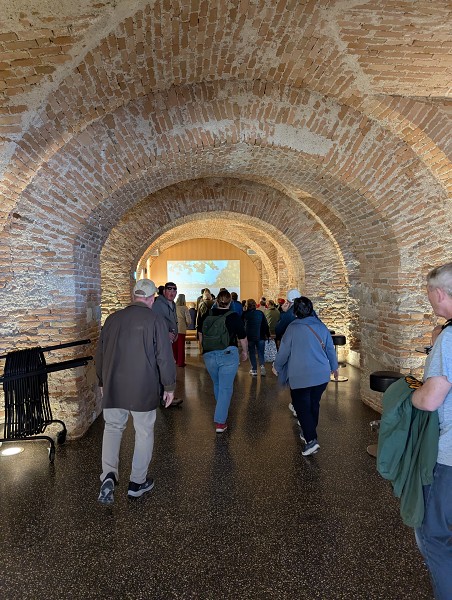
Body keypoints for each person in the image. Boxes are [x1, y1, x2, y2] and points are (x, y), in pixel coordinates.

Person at [95, 279, 176, 505]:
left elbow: (100, 353)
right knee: (144, 432)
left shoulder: (112, 319)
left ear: (134, 296)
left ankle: (108, 475)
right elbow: (164, 356)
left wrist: (102, 380)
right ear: (151, 298)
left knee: (112, 428)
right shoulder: (155, 320)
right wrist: (169, 386)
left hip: (113, 386)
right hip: (143, 386)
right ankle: (137, 483)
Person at [411, 263, 452, 599]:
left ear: (439, 293)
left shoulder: (450, 337)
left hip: (450, 457)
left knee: (433, 535)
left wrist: (410, 393)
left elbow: (430, 399)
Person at [273, 296, 338, 456]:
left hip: (300, 375)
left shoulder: (292, 328)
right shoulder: (321, 326)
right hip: (321, 375)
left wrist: (277, 366)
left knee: (302, 407)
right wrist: (334, 367)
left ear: (295, 312)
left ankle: (311, 441)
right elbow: (330, 349)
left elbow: (284, 352)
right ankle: (307, 432)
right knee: (313, 404)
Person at [197, 289, 248, 433]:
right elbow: (243, 337)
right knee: (225, 388)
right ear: (230, 302)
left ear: (216, 301)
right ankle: (220, 422)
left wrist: (204, 349)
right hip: (228, 354)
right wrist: (245, 352)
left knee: (217, 384)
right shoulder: (233, 316)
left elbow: (200, 333)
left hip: (209, 355)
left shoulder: (207, 314)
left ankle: (222, 410)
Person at [152, 281, 183, 407]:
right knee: (163, 367)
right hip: (161, 340)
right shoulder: (158, 304)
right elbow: (156, 321)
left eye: (174, 290)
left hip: (168, 339)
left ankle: (165, 396)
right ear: (164, 291)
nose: (172, 292)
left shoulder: (172, 304)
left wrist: (176, 332)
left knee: (167, 366)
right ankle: (163, 397)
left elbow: (172, 320)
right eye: (169, 289)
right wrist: (166, 333)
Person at [242, 298, 270, 376]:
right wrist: (268, 335)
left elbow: (242, 325)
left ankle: (254, 370)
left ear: (247, 305)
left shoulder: (245, 314)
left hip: (250, 337)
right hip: (261, 336)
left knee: (252, 352)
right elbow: (265, 325)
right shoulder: (260, 313)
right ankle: (262, 367)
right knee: (261, 352)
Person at [174, 293, 191, 367]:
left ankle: (175, 360)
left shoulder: (174, 307)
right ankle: (180, 362)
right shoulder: (185, 308)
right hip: (181, 328)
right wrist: (187, 324)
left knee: (174, 345)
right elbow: (188, 320)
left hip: (174, 328)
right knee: (181, 346)